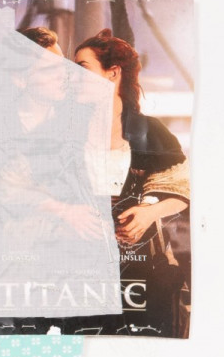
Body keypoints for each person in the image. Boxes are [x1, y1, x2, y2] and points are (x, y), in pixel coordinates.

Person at [73, 29, 190, 336]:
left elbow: (181, 188)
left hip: (138, 266)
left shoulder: (149, 130)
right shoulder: (66, 130)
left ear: (112, 74)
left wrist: (150, 212)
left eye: (82, 68)